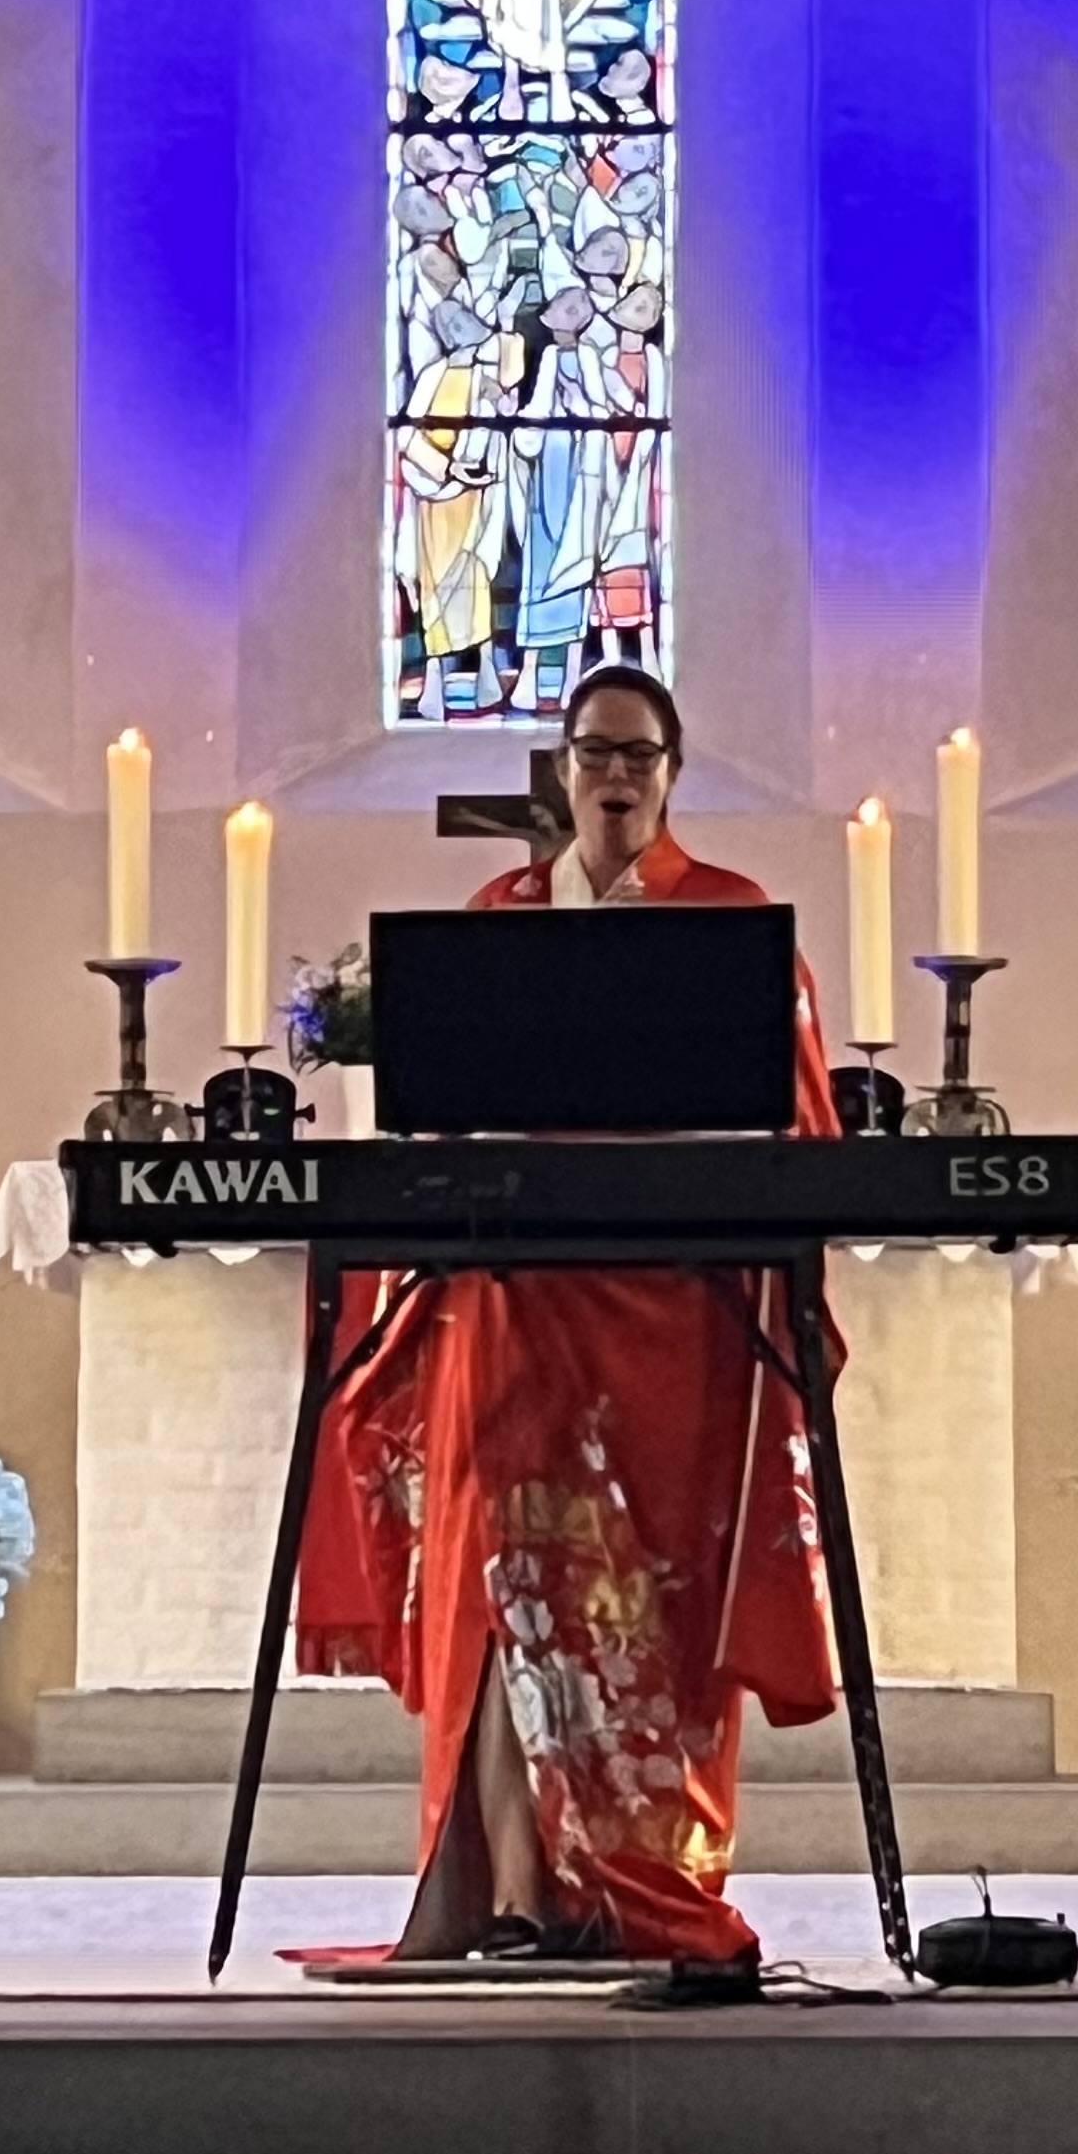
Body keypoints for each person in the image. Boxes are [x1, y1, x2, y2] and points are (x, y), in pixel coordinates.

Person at [295, 670, 843, 1962]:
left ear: (672, 773)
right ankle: (515, 1891)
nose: (617, 775)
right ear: (562, 769)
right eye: (596, 752)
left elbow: (800, 1128)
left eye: (640, 755)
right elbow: (444, 1115)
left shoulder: (733, 918)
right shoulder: (501, 916)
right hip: (517, 1301)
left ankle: (633, 1880)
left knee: (646, 1604)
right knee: (508, 1584)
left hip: (673, 1320)